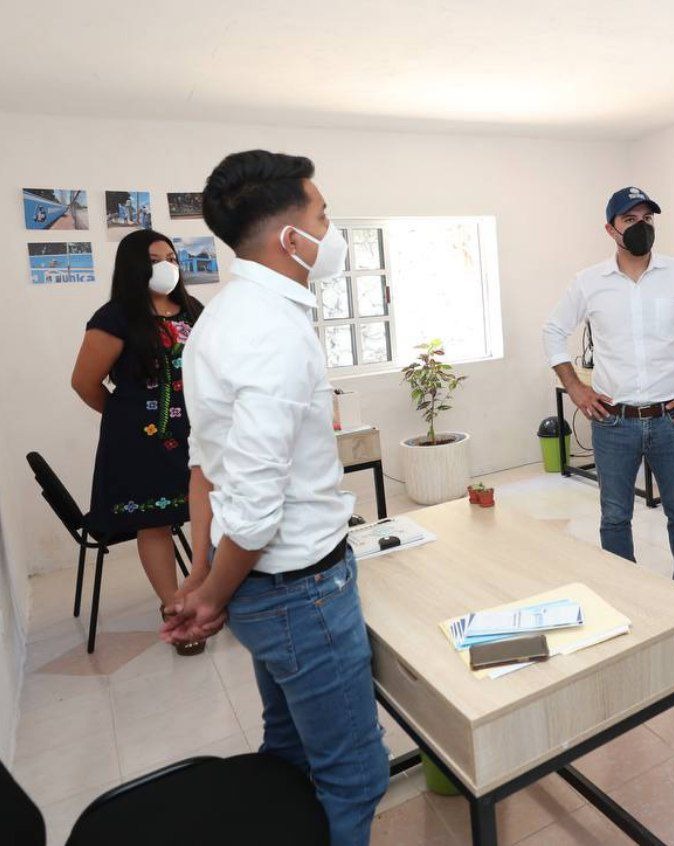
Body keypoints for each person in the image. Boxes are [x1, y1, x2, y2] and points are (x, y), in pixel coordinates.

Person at [161, 150, 388, 844]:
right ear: (291, 237)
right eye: (323, 216)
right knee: (354, 774)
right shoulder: (272, 333)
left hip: (266, 589)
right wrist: (211, 595)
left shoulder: (220, 318)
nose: (330, 230)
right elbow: (257, 507)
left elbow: (207, 468)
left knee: (288, 752)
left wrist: (203, 575)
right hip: (299, 591)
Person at [543, 187, 674, 634]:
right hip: (614, 422)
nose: (641, 226)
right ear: (611, 230)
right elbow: (553, 332)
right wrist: (575, 389)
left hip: (671, 419)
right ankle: (623, 605)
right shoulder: (589, 282)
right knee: (615, 518)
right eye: (630, 220)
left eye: (647, 218)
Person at [71, 229, 205, 654]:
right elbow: (85, 382)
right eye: (154, 259)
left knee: (212, 513)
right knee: (155, 521)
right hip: (141, 445)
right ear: (133, 266)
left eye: (172, 258)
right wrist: (127, 421)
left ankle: (212, 594)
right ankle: (174, 607)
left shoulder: (193, 310)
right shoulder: (115, 317)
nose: (167, 266)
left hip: (199, 436)